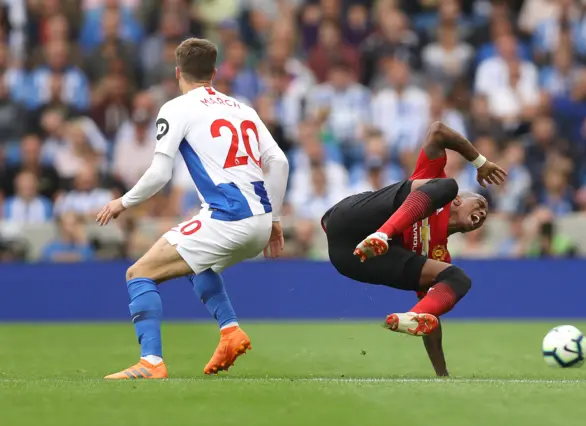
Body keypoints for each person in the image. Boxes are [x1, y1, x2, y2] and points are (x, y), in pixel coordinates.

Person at [95, 38, 289, 379]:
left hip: (229, 217)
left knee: (138, 274)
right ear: (214, 73)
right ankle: (230, 330)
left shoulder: (177, 107)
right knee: (195, 264)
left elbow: (159, 174)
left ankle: (150, 363)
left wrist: (121, 202)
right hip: (257, 218)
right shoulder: (243, 108)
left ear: (177, 73)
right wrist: (273, 219)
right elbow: (280, 161)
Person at [321, 121, 506, 376]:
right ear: (461, 201)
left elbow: (435, 316)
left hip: (350, 259)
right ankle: (383, 233)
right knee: (444, 185)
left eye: (485, 214)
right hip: (348, 219)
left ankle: (411, 315)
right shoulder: (440, 183)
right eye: (481, 203)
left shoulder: (438, 252)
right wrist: (479, 161)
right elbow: (438, 130)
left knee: (457, 277)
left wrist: (442, 374)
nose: (483, 213)